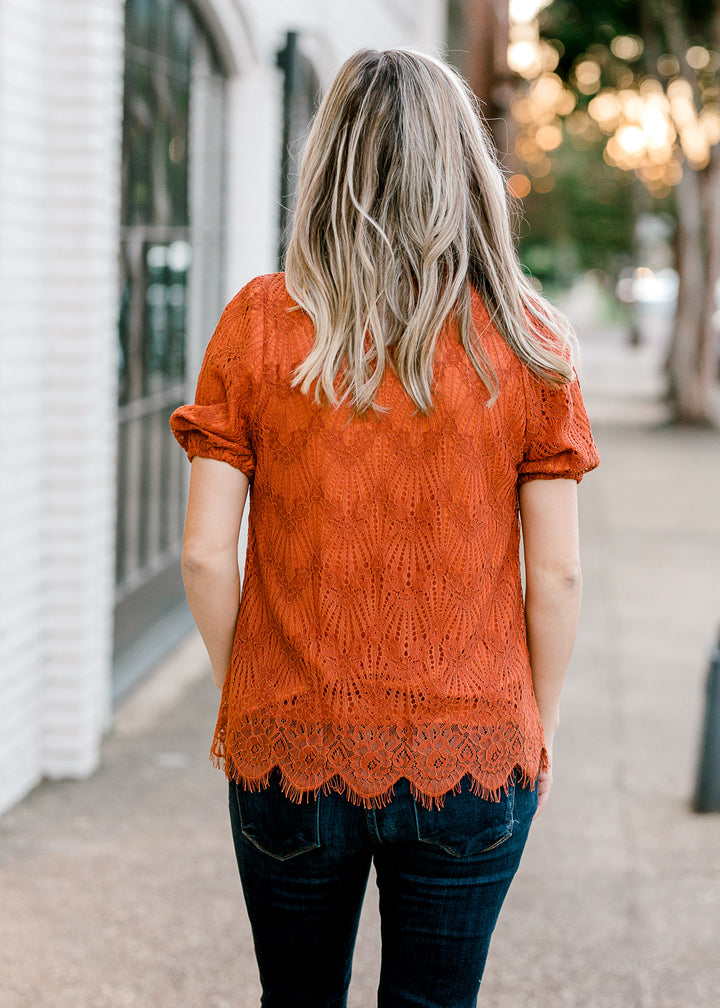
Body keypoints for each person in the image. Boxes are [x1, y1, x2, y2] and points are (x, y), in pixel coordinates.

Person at [170, 47, 599, 1008]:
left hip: (288, 741)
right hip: (476, 749)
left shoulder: (262, 323)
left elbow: (204, 553)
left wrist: (252, 689)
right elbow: (559, 575)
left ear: (328, 163)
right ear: (465, 171)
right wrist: (544, 715)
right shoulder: (529, 339)